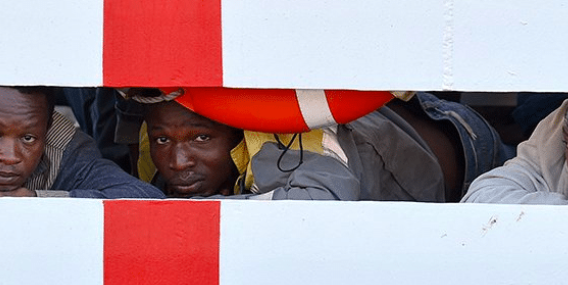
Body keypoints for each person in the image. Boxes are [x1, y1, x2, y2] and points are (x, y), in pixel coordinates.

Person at [129, 89, 512, 201]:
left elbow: (321, 203)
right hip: (382, 124)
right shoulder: (158, 141)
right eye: (163, 140)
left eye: (201, 138)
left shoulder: (281, 144)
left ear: (238, 132)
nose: (178, 161)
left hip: (469, 150)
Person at [0, 86, 165, 223]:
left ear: (46, 130)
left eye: (28, 138)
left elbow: (150, 202)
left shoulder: (64, 147)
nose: (10, 156)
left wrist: (27, 199)